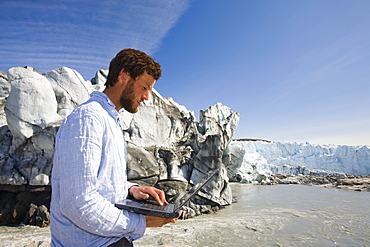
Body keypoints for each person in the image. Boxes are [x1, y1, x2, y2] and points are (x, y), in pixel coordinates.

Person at [50, 48, 180, 247]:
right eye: (144, 87)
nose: (146, 97)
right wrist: (141, 222)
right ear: (124, 76)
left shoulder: (110, 120)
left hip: (110, 239)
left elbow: (99, 180)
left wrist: (132, 189)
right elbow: (78, 202)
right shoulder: (88, 118)